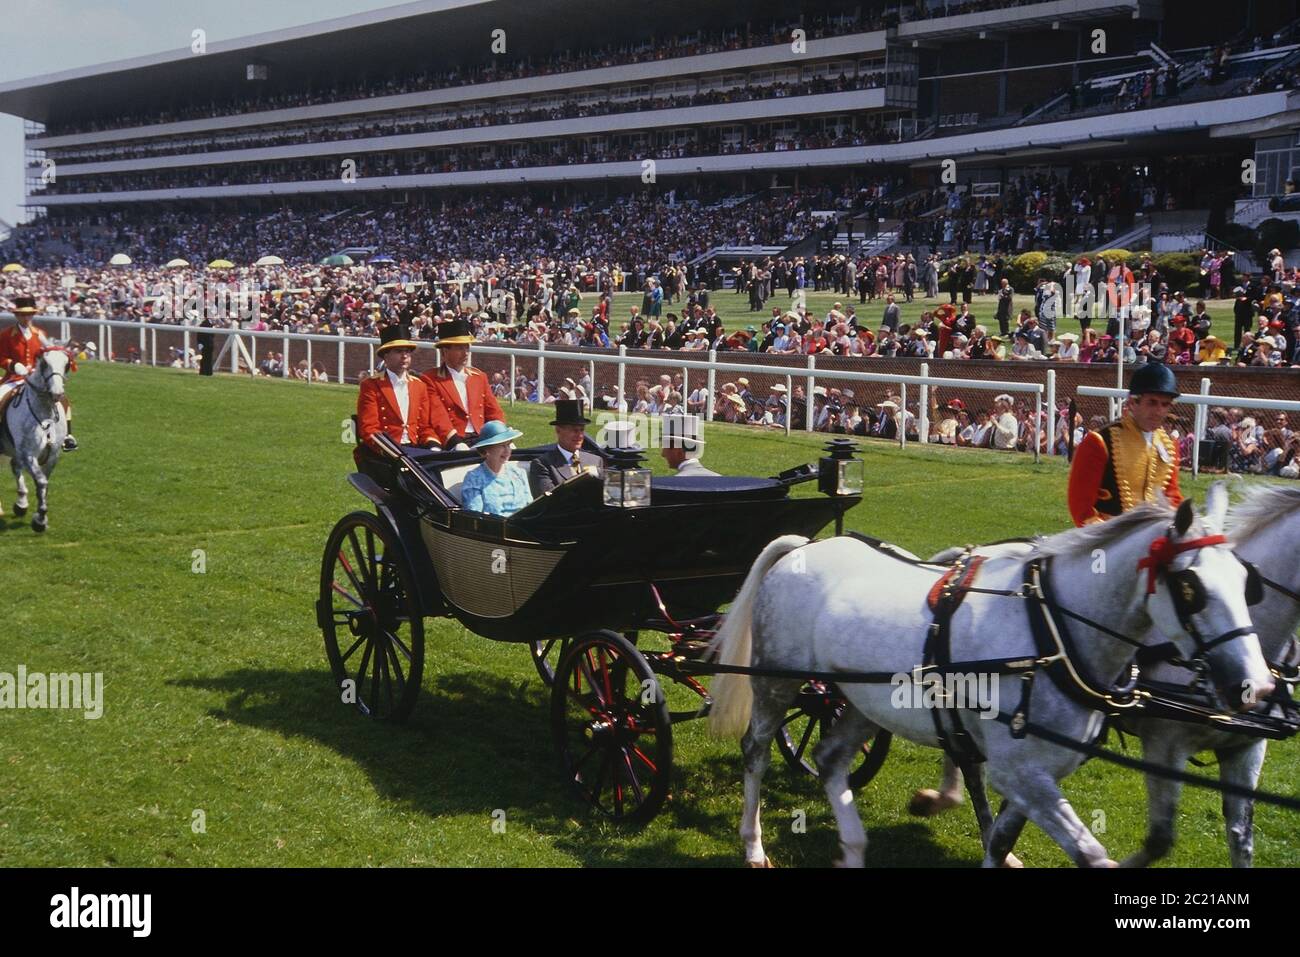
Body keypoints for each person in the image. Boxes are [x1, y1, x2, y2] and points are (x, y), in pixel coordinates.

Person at [1067, 362, 1183, 526]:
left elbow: (1172, 496)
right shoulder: (1099, 442)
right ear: (1132, 403)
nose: (1159, 411)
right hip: (1107, 539)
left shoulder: (1169, 445)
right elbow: (1081, 506)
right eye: (1152, 402)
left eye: (1165, 404)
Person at [0, 296, 78, 450]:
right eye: (22, 314)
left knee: (61, 396)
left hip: (37, 378)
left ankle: (67, 435)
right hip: (14, 378)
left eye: (29, 314)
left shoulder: (39, 334)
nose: (26, 317)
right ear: (17, 315)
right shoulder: (7, 335)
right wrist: (13, 365)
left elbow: (46, 356)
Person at [420, 317, 504, 448]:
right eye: (459, 348)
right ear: (444, 351)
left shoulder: (479, 377)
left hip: (481, 437)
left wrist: (501, 433)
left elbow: (493, 411)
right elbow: (438, 416)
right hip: (453, 439)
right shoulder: (430, 378)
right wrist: (454, 442)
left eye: (467, 347)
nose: (466, 353)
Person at [356, 324, 440, 452]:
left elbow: (424, 427)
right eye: (398, 351)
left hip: (415, 448)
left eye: (407, 351)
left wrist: (433, 445)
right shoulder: (371, 385)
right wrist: (391, 451)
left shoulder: (419, 386)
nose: (404, 355)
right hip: (387, 451)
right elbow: (369, 428)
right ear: (385, 356)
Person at [528, 399, 604, 496]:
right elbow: (548, 503)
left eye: (582, 430)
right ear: (558, 430)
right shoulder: (543, 465)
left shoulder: (595, 461)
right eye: (574, 430)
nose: (580, 435)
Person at [459, 420, 532, 517]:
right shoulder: (474, 478)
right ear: (487, 450)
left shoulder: (519, 473)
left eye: (508, 445)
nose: (507, 451)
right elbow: (476, 517)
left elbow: (531, 509)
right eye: (501, 446)